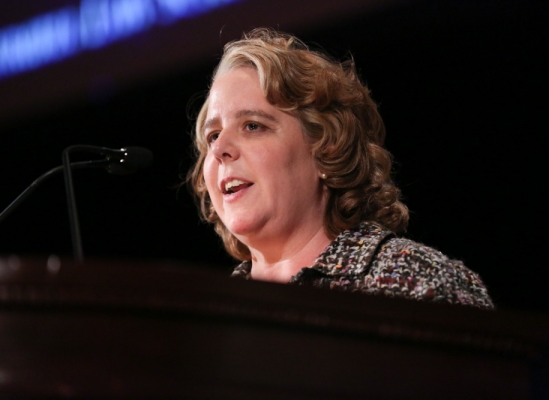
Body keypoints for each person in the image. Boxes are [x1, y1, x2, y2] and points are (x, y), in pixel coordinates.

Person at [187, 28, 493, 310]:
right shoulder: (204, 316)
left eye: (253, 126)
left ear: (326, 148)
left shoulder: (414, 282)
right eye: (213, 135)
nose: (218, 149)